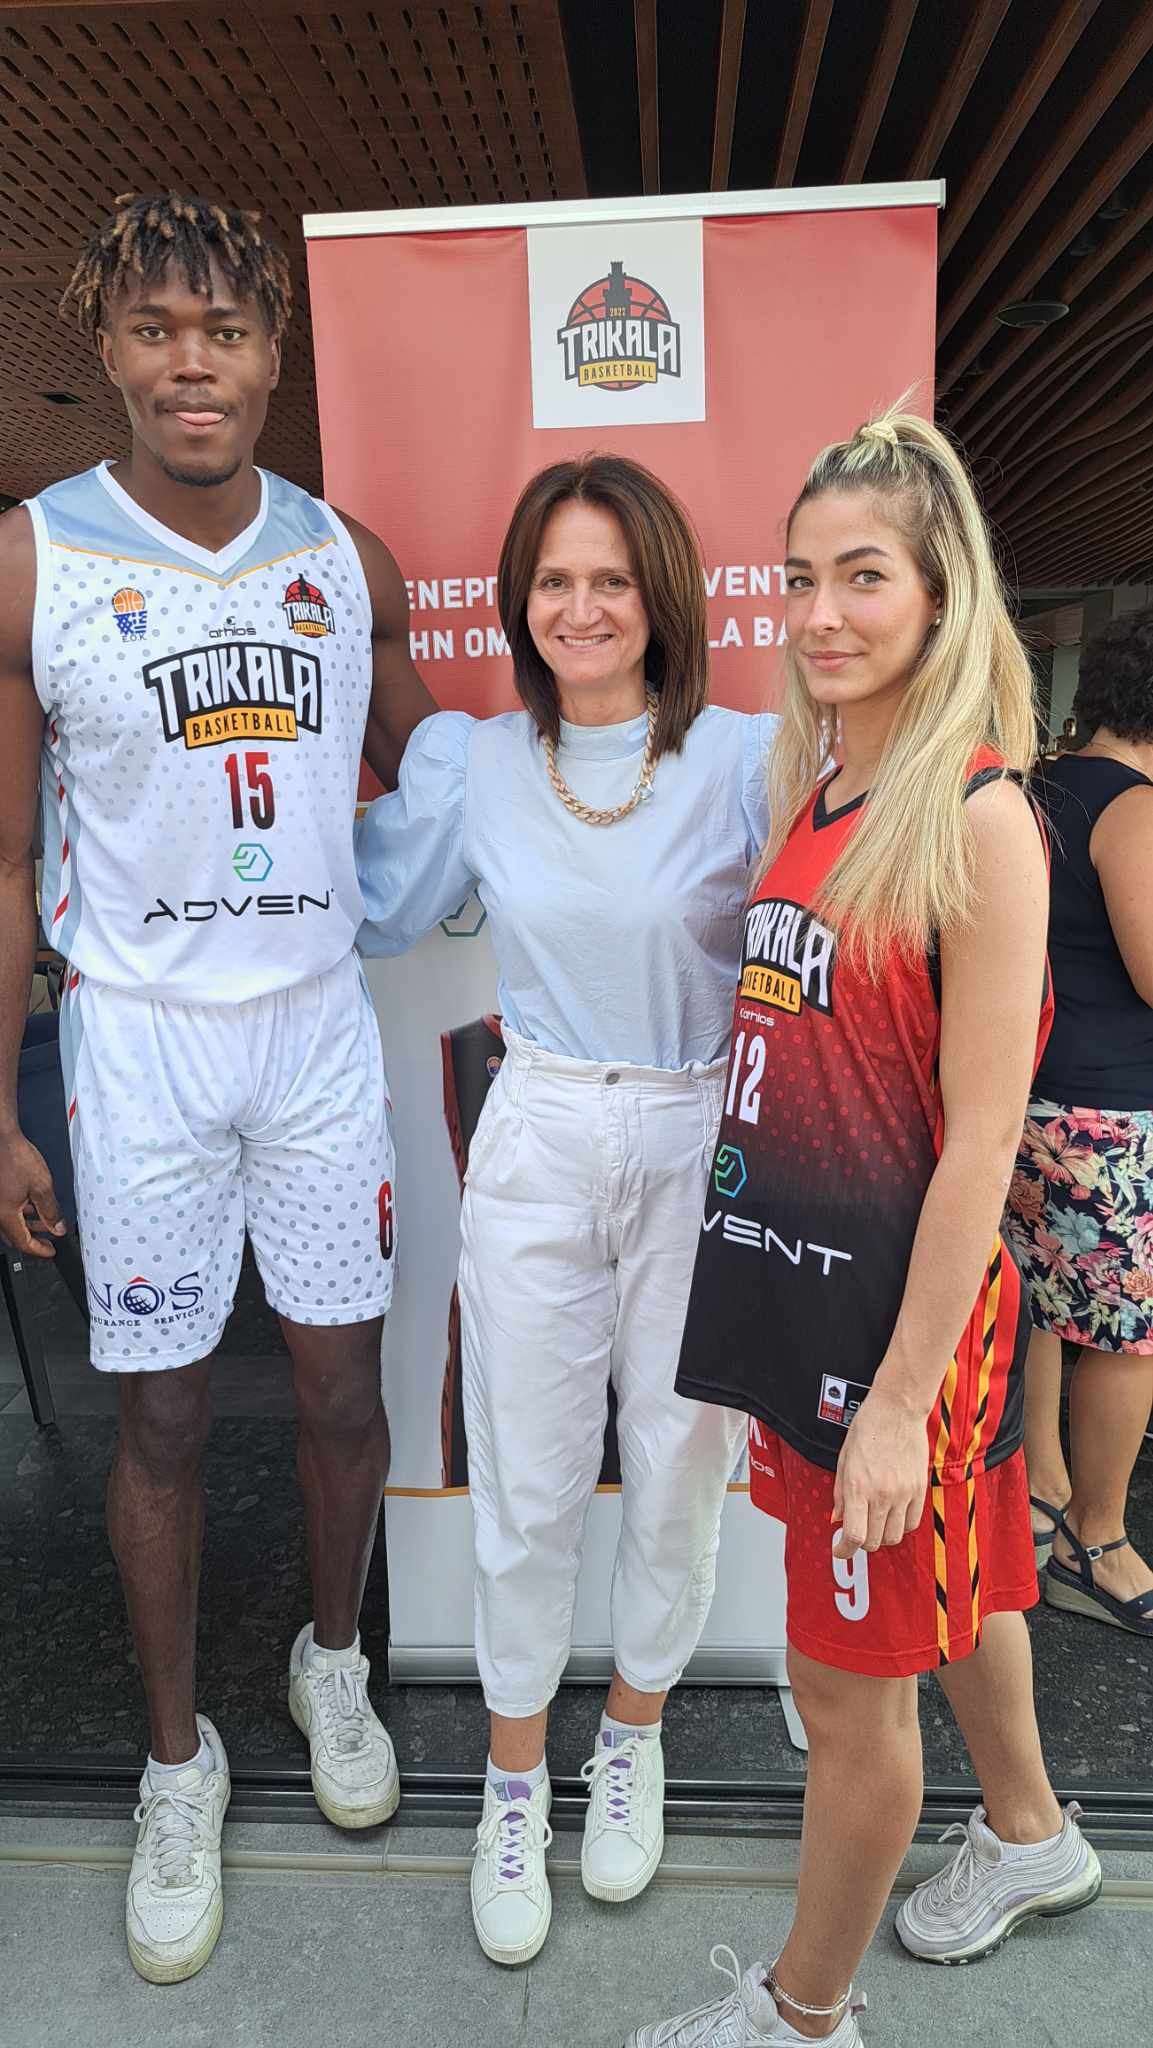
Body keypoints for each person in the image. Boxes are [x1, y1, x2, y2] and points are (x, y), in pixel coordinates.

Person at [0, 192, 436, 1984]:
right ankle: (176, 1764)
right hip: (140, 1043)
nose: (194, 363)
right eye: (158, 328)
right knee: (163, 1422)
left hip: (314, 1028)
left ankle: (332, 1662)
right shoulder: (34, 558)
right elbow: (2, 855)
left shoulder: (347, 558)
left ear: (275, 353)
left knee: (340, 1390)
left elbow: (442, 771)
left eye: (228, 330)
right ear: (105, 346)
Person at [627, 408, 1100, 2048]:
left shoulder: (974, 815)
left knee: (844, 1693)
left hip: (899, 1338)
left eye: (863, 576)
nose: (820, 613)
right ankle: (1029, 1830)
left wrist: (900, 1401)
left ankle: (803, 2015)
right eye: (798, 578)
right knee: (956, 1596)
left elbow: (982, 1142)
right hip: (816, 1305)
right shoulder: (826, 780)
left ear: (938, 590)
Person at [356, 453, 775, 1965]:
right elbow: (364, 904)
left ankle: (634, 1737)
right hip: (537, 1127)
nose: (580, 607)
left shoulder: (745, 758)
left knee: (678, 1464)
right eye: (553, 580)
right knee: (527, 1476)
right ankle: (515, 1776)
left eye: (611, 579)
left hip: (699, 1132)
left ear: (662, 599)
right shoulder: (472, 763)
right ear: (517, 601)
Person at [1006, 608, 1153, 1639]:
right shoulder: (1134, 808)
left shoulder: (1034, 787)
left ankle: (1040, 1495)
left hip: (1030, 1093)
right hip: (1109, 1117)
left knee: (1041, 1310)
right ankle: (1095, 1541)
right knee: (1129, 1341)